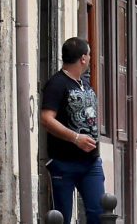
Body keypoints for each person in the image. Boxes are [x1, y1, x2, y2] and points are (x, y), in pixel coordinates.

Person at [41, 38, 104, 224]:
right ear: (83, 58)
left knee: (99, 213)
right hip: (64, 162)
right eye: (89, 54)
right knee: (61, 217)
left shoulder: (84, 83)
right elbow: (46, 119)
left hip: (90, 162)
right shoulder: (57, 84)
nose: (90, 58)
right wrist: (75, 138)